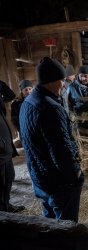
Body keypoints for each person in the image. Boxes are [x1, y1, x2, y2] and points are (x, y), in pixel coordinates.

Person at [19, 57, 84, 222]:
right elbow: (60, 150)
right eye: (61, 80)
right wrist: (75, 174)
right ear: (50, 81)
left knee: (48, 221)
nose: (63, 84)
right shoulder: (51, 108)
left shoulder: (28, 102)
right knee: (65, 226)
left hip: (40, 176)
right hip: (58, 183)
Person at [0, 80, 25, 212]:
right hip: (1, 149)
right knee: (2, 180)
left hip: (5, 146)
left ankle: (6, 205)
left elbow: (9, 95)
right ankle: (3, 211)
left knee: (9, 176)